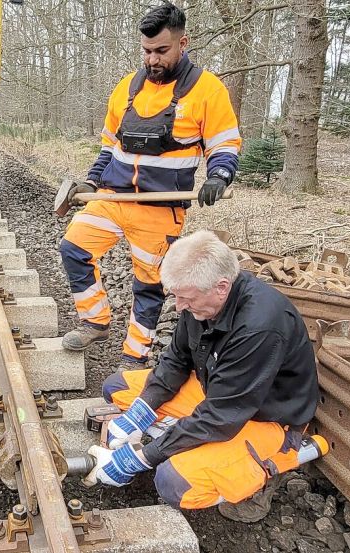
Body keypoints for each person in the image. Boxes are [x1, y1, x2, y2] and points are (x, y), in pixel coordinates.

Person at [82, 231, 322, 523]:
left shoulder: (260, 327)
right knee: (117, 387)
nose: (179, 306)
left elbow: (221, 416)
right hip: (219, 392)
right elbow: (175, 359)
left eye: (185, 299)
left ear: (222, 287)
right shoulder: (202, 300)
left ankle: (269, 467)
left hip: (264, 417)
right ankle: (183, 437)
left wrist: (142, 458)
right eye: (177, 297)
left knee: (174, 484)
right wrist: (139, 414)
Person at [59, 2, 242, 371]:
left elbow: (224, 144)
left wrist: (219, 176)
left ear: (182, 43)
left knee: (149, 285)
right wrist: (92, 180)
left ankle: (134, 356)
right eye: (146, 51)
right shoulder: (128, 87)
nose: (153, 60)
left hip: (161, 208)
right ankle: (95, 321)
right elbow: (110, 144)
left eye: (161, 51)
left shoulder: (208, 90)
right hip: (113, 196)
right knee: (73, 247)